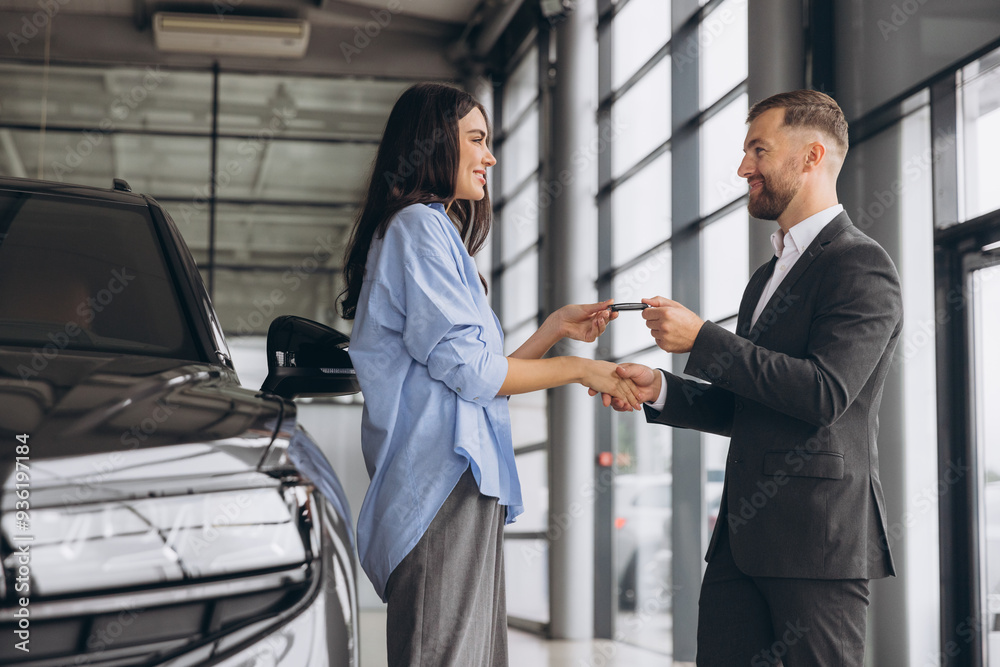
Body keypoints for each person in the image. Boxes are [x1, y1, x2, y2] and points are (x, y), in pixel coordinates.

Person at [596, 90, 902, 665]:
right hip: (741, 545)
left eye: (757, 150)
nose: (743, 168)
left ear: (811, 157)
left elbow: (823, 394)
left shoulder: (861, 265)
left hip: (818, 546)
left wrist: (704, 340)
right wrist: (660, 388)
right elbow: (752, 403)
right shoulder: (765, 278)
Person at [340, 82, 641, 667]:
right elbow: (479, 377)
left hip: (459, 481)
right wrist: (585, 369)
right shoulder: (417, 229)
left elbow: (476, 378)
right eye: (477, 140)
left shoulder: (433, 233)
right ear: (433, 144)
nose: (491, 157)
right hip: (440, 484)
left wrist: (555, 328)